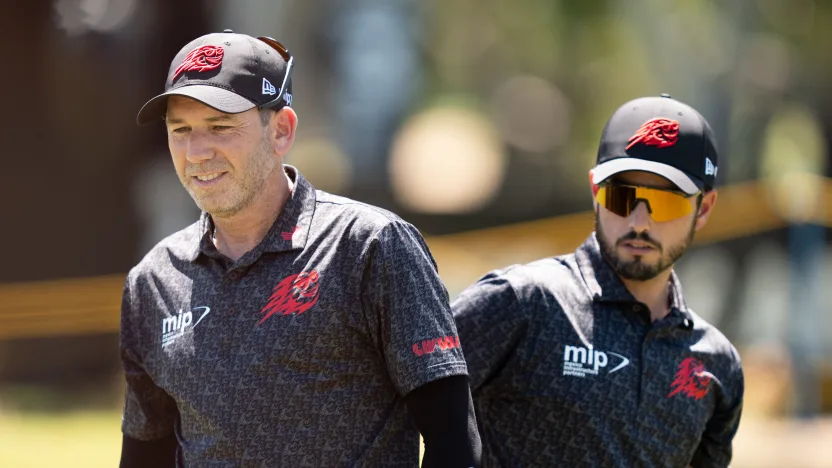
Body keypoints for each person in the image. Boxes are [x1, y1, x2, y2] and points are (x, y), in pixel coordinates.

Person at [119, 29, 480, 468]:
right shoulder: (153, 281)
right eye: (181, 130)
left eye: (220, 127)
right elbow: (146, 454)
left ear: (282, 131)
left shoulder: (371, 247)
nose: (196, 152)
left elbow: (454, 444)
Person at [452, 94, 744, 467]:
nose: (639, 222)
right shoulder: (520, 303)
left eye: (666, 202)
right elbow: (391, 404)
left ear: (703, 208)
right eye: (621, 197)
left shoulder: (717, 364)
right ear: (595, 192)